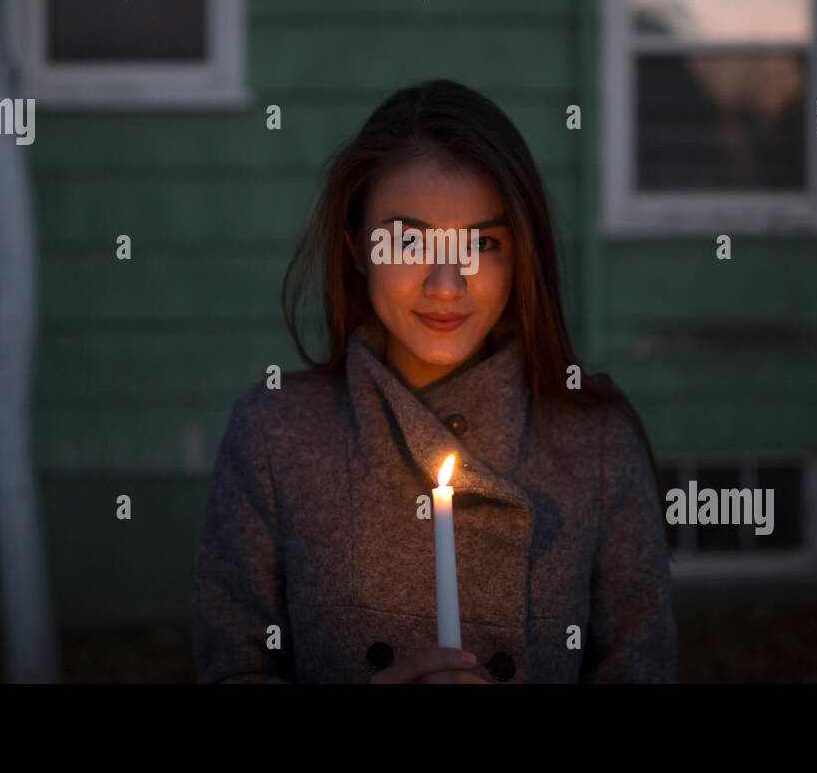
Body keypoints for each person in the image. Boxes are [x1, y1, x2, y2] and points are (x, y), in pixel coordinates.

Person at [192, 79, 676, 683]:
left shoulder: (596, 443)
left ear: (520, 255)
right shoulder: (275, 434)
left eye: (481, 243)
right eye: (408, 240)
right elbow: (231, 669)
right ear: (357, 249)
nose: (446, 284)